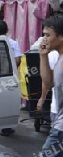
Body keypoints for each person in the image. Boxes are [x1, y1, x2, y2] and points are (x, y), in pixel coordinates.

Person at [40, 15, 63, 157]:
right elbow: (49, 83)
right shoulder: (59, 57)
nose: (44, 39)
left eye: (48, 35)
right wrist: (43, 56)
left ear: (61, 37)